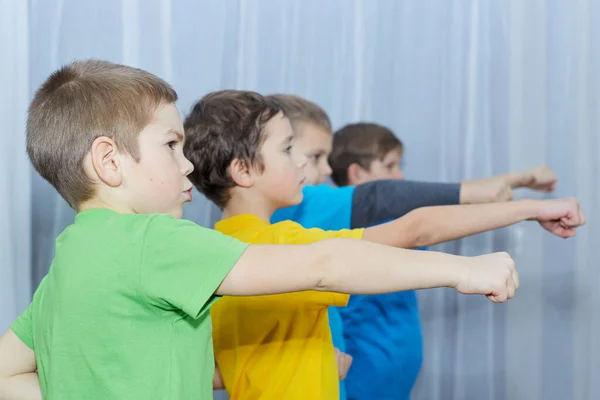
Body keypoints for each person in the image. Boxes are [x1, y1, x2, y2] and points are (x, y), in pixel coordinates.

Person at [0, 61, 527, 400]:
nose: (186, 166)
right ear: (109, 161)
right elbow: (325, 264)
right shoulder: (152, 241)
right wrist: (462, 268)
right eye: (170, 146)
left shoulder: (66, 267)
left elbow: (8, 374)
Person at [182, 89, 583, 400]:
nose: (303, 162)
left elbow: (218, 365)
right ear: (244, 169)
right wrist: (526, 213)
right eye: (288, 150)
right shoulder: (285, 245)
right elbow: (414, 229)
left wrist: (307, 360)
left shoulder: (210, 253)